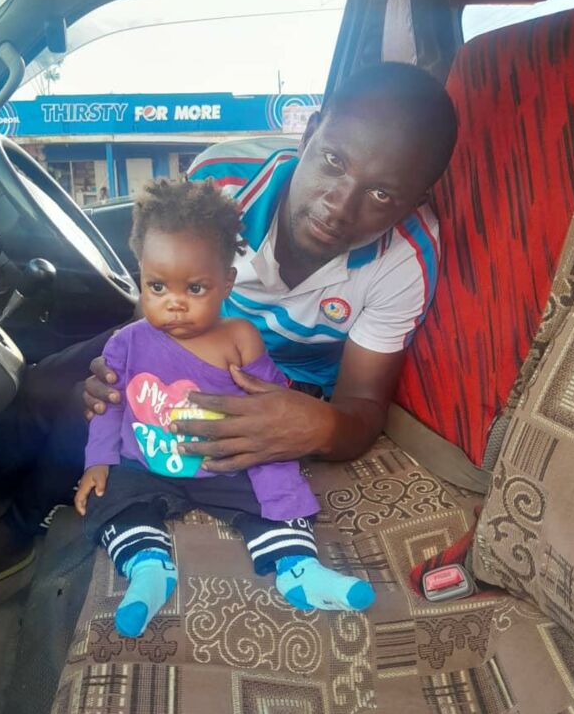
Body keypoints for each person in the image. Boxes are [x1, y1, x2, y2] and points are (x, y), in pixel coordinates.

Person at [0, 62, 458, 606]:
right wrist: (132, 357)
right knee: (46, 382)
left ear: (416, 200)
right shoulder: (224, 181)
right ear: (309, 133)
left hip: (276, 382)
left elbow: (363, 407)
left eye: (381, 195)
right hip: (184, 330)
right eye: (333, 162)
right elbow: (158, 294)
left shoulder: (407, 258)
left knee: (84, 409)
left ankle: (20, 529)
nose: (340, 206)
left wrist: (318, 426)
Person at [76, 179, 375, 637]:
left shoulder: (240, 339)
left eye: (195, 288)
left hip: (225, 464)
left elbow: (269, 400)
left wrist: (281, 437)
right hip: (147, 463)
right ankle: (148, 567)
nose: (175, 304)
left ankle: (298, 568)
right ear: (140, 276)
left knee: (277, 480)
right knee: (108, 495)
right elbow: (109, 406)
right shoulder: (126, 343)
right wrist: (98, 461)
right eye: (157, 286)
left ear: (227, 283)